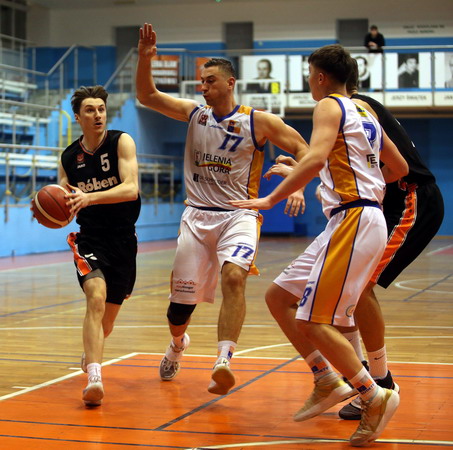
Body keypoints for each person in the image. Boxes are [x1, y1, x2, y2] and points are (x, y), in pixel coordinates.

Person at [231, 44, 408, 446]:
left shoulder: (328, 105)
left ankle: (373, 394)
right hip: (353, 218)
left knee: (313, 321)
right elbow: (398, 168)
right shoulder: (366, 113)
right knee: (279, 297)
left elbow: (314, 159)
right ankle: (325, 378)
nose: (309, 81)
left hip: (354, 218)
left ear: (321, 77)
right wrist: (361, 180)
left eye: (310, 74)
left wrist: (270, 199)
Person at [136, 23, 308, 396]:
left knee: (234, 278)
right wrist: (145, 58)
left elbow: (305, 149)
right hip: (196, 216)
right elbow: (147, 95)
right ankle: (178, 344)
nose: (203, 87)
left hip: (238, 214)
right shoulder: (194, 114)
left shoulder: (257, 121)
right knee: (179, 310)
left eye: (210, 81)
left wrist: (298, 185)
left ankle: (223, 361)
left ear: (230, 83)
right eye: (202, 81)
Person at [335, 58, 444, 420]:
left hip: (411, 199)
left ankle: (381, 384)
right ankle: (362, 380)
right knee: (346, 290)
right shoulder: (356, 108)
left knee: (359, 288)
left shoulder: (357, 107)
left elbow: (395, 169)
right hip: (391, 204)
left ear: (322, 77)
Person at [59, 85, 141, 406]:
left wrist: (89, 197)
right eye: (90, 110)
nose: (98, 115)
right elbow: (64, 202)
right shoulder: (69, 157)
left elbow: (131, 189)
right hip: (90, 238)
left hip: (124, 240)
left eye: (101, 109)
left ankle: (91, 350)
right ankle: (95, 378)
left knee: (106, 322)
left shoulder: (121, 142)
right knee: (95, 298)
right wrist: (50, 209)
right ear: (77, 117)